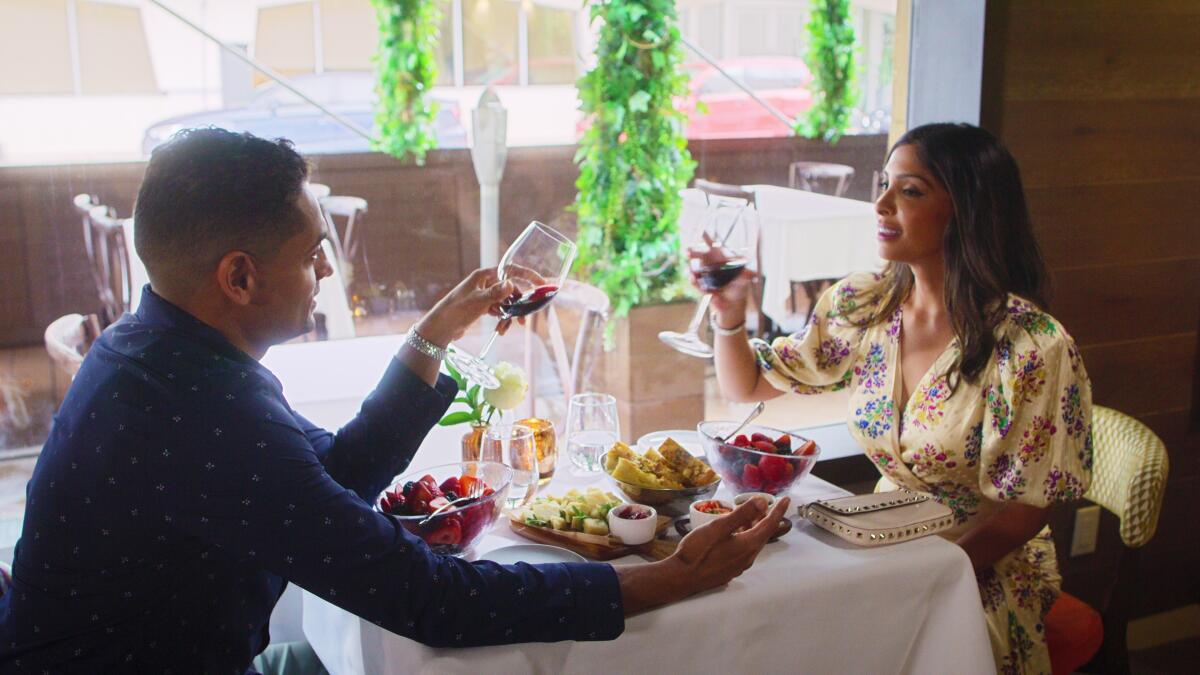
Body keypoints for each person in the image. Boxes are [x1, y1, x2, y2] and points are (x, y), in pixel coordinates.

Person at [0, 128, 789, 673]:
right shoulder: (198, 408)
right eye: (314, 257)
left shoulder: (156, 350)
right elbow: (426, 596)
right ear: (238, 277)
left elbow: (334, 475)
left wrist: (438, 330)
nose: (328, 276)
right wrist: (666, 579)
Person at [697, 123, 1092, 674]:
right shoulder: (866, 305)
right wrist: (729, 314)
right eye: (884, 184)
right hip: (879, 538)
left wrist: (925, 573)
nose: (880, 204)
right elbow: (749, 387)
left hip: (977, 563)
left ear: (966, 210)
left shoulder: (1030, 346)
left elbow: (1021, 514)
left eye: (909, 191)